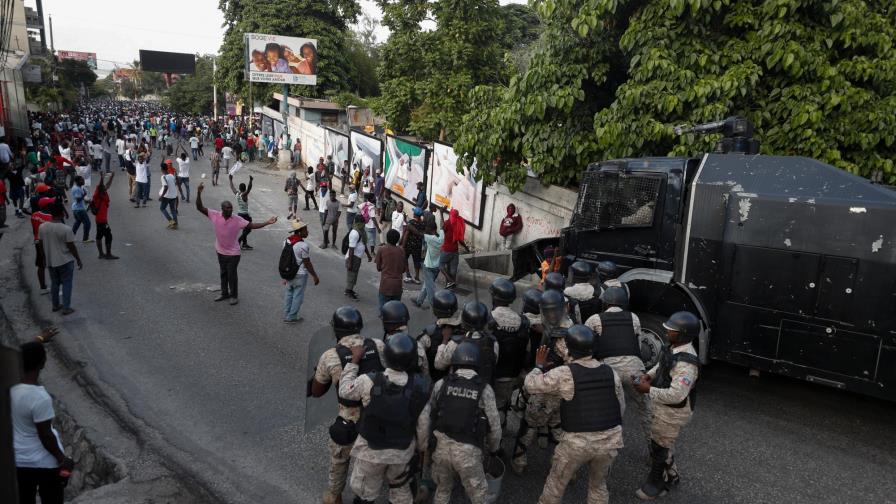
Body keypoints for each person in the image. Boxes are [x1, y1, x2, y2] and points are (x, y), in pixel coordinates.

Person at [524, 325, 625, 504]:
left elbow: (530, 385)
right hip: (611, 441)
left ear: (568, 349)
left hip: (577, 444)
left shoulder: (565, 373)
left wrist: (539, 366)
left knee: (555, 486)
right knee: (598, 486)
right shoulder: (611, 372)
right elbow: (621, 407)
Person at [338, 332, 429, 504]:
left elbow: (344, 391)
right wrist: (419, 450)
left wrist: (354, 362)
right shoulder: (420, 388)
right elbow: (423, 428)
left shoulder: (368, 381)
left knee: (365, 494)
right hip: (402, 452)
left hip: (370, 452)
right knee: (400, 494)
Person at [310, 307, 385, 504]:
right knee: (369, 464)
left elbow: (317, 392)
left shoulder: (330, 356)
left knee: (339, 460)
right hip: (375, 418)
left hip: (348, 421)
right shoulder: (377, 345)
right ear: (359, 326)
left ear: (335, 330)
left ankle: (335, 495)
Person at [423, 341, 502, 504]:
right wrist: (493, 450)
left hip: (441, 450)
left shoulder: (441, 384)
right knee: (478, 496)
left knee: (443, 490)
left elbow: (429, 416)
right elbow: (495, 428)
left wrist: (426, 449)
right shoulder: (484, 390)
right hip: (469, 455)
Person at [634, 311, 700, 500]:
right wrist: (649, 375)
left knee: (660, 447)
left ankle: (656, 485)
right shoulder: (672, 347)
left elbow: (677, 394)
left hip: (673, 412)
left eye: (671, 330)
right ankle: (672, 475)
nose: (666, 332)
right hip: (664, 407)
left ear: (682, 335)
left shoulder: (687, 364)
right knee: (661, 442)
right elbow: (662, 365)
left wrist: (648, 390)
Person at [511, 289, 572, 475]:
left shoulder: (560, 337)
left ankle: (519, 460)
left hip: (547, 387)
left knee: (529, 425)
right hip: (563, 392)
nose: (549, 315)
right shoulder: (569, 325)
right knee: (559, 427)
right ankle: (566, 468)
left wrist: (540, 366)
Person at [12, 341, 74, 504]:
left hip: (18, 461)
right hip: (44, 463)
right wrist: (63, 459)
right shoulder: (39, 397)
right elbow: (45, 435)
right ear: (43, 363)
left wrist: (39, 339)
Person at [195, 182, 277, 306]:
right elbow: (199, 207)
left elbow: (251, 225)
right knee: (223, 273)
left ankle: (234, 295)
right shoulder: (215, 215)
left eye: (231, 208)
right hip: (220, 251)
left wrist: (267, 222)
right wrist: (199, 193)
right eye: (227, 208)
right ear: (222, 209)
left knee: (231, 273)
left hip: (233, 253)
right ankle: (224, 293)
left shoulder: (237, 219)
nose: (230, 209)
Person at [488, 278, 530, 428]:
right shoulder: (523, 321)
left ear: (493, 296)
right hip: (514, 374)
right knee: (502, 403)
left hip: (493, 375)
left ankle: (496, 439)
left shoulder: (488, 320)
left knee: (492, 408)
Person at [434, 301, 499, 385]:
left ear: (463, 324)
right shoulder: (493, 343)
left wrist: (445, 340)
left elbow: (439, 365)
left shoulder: (455, 343)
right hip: (483, 388)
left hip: (457, 387)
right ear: (485, 323)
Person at [38, 203, 83, 315]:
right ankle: (66, 307)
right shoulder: (66, 229)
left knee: (54, 283)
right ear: (61, 214)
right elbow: (71, 246)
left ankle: (55, 305)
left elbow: (40, 243)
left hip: (51, 261)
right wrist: (78, 259)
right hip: (65, 260)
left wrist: (44, 257)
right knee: (67, 283)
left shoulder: (42, 227)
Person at [282, 219, 319, 323]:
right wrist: (315, 276)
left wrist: (285, 276)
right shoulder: (303, 246)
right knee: (298, 296)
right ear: (300, 231)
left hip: (289, 273)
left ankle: (286, 314)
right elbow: (307, 263)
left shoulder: (286, 241)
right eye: (306, 230)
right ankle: (292, 317)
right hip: (300, 274)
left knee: (289, 294)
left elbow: (286, 259)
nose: (307, 232)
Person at [411, 221, 443, 309]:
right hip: (437, 267)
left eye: (427, 228)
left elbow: (418, 233)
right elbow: (442, 226)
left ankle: (434, 305)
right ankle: (419, 300)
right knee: (427, 284)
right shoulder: (441, 237)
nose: (426, 230)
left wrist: (410, 225)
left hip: (428, 266)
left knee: (430, 287)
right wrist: (441, 213)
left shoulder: (430, 238)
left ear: (430, 229)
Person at [375, 229, 406, 309]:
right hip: (398, 286)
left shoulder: (381, 250)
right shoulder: (401, 250)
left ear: (387, 238)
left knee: (384, 310)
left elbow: (378, 268)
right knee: (395, 311)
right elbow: (403, 269)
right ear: (397, 239)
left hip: (385, 285)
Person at [439, 209, 469, 289]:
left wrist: (441, 213)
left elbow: (442, 227)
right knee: (453, 270)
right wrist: (466, 247)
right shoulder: (458, 224)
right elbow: (460, 239)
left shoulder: (447, 223)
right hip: (455, 251)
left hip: (446, 250)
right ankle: (451, 286)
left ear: (450, 215)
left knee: (441, 265)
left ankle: (450, 281)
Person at [92, 172, 118, 260]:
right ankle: (108, 254)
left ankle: (101, 254)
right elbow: (101, 185)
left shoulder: (102, 193)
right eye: (103, 187)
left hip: (100, 220)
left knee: (99, 236)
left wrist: (112, 177)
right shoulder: (98, 195)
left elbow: (107, 185)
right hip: (102, 220)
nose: (105, 187)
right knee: (108, 236)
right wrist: (101, 178)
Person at [344, 219, 372, 301]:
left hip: (358, 257)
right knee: (351, 275)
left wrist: (368, 255)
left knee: (354, 274)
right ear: (359, 223)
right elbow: (351, 248)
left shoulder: (362, 231)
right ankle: (348, 291)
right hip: (353, 257)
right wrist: (350, 262)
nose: (364, 225)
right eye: (363, 223)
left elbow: (363, 244)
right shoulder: (355, 233)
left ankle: (350, 290)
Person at [229, 174, 254, 250]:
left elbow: (232, 187)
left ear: (239, 188)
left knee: (245, 229)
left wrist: (230, 179)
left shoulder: (237, 194)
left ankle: (244, 244)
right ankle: (239, 240)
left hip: (239, 214)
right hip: (245, 215)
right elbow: (249, 189)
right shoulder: (244, 195)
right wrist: (250, 180)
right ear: (244, 189)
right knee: (249, 229)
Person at [401, 207, 425, 284]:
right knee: (416, 261)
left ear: (414, 214)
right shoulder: (423, 224)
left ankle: (408, 275)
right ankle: (417, 278)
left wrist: (403, 246)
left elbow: (406, 235)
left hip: (408, 245)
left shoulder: (411, 222)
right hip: (418, 246)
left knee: (405, 259)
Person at [70, 176, 92, 242]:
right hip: (79, 209)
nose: (83, 181)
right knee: (87, 223)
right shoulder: (77, 189)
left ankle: (70, 237)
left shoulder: (77, 187)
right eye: (82, 180)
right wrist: (84, 194)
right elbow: (78, 199)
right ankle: (85, 238)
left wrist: (87, 201)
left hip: (75, 209)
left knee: (77, 223)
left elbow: (80, 199)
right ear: (77, 181)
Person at [160, 164, 179, 229]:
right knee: (173, 209)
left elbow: (165, 187)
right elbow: (175, 183)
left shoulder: (163, 177)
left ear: (162, 170)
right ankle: (175, 224)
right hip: (173, 195)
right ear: (167, 168)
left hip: (167, 196)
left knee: (162, 208)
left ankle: (171, 221)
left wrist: (161, 196)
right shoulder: (171, 175)